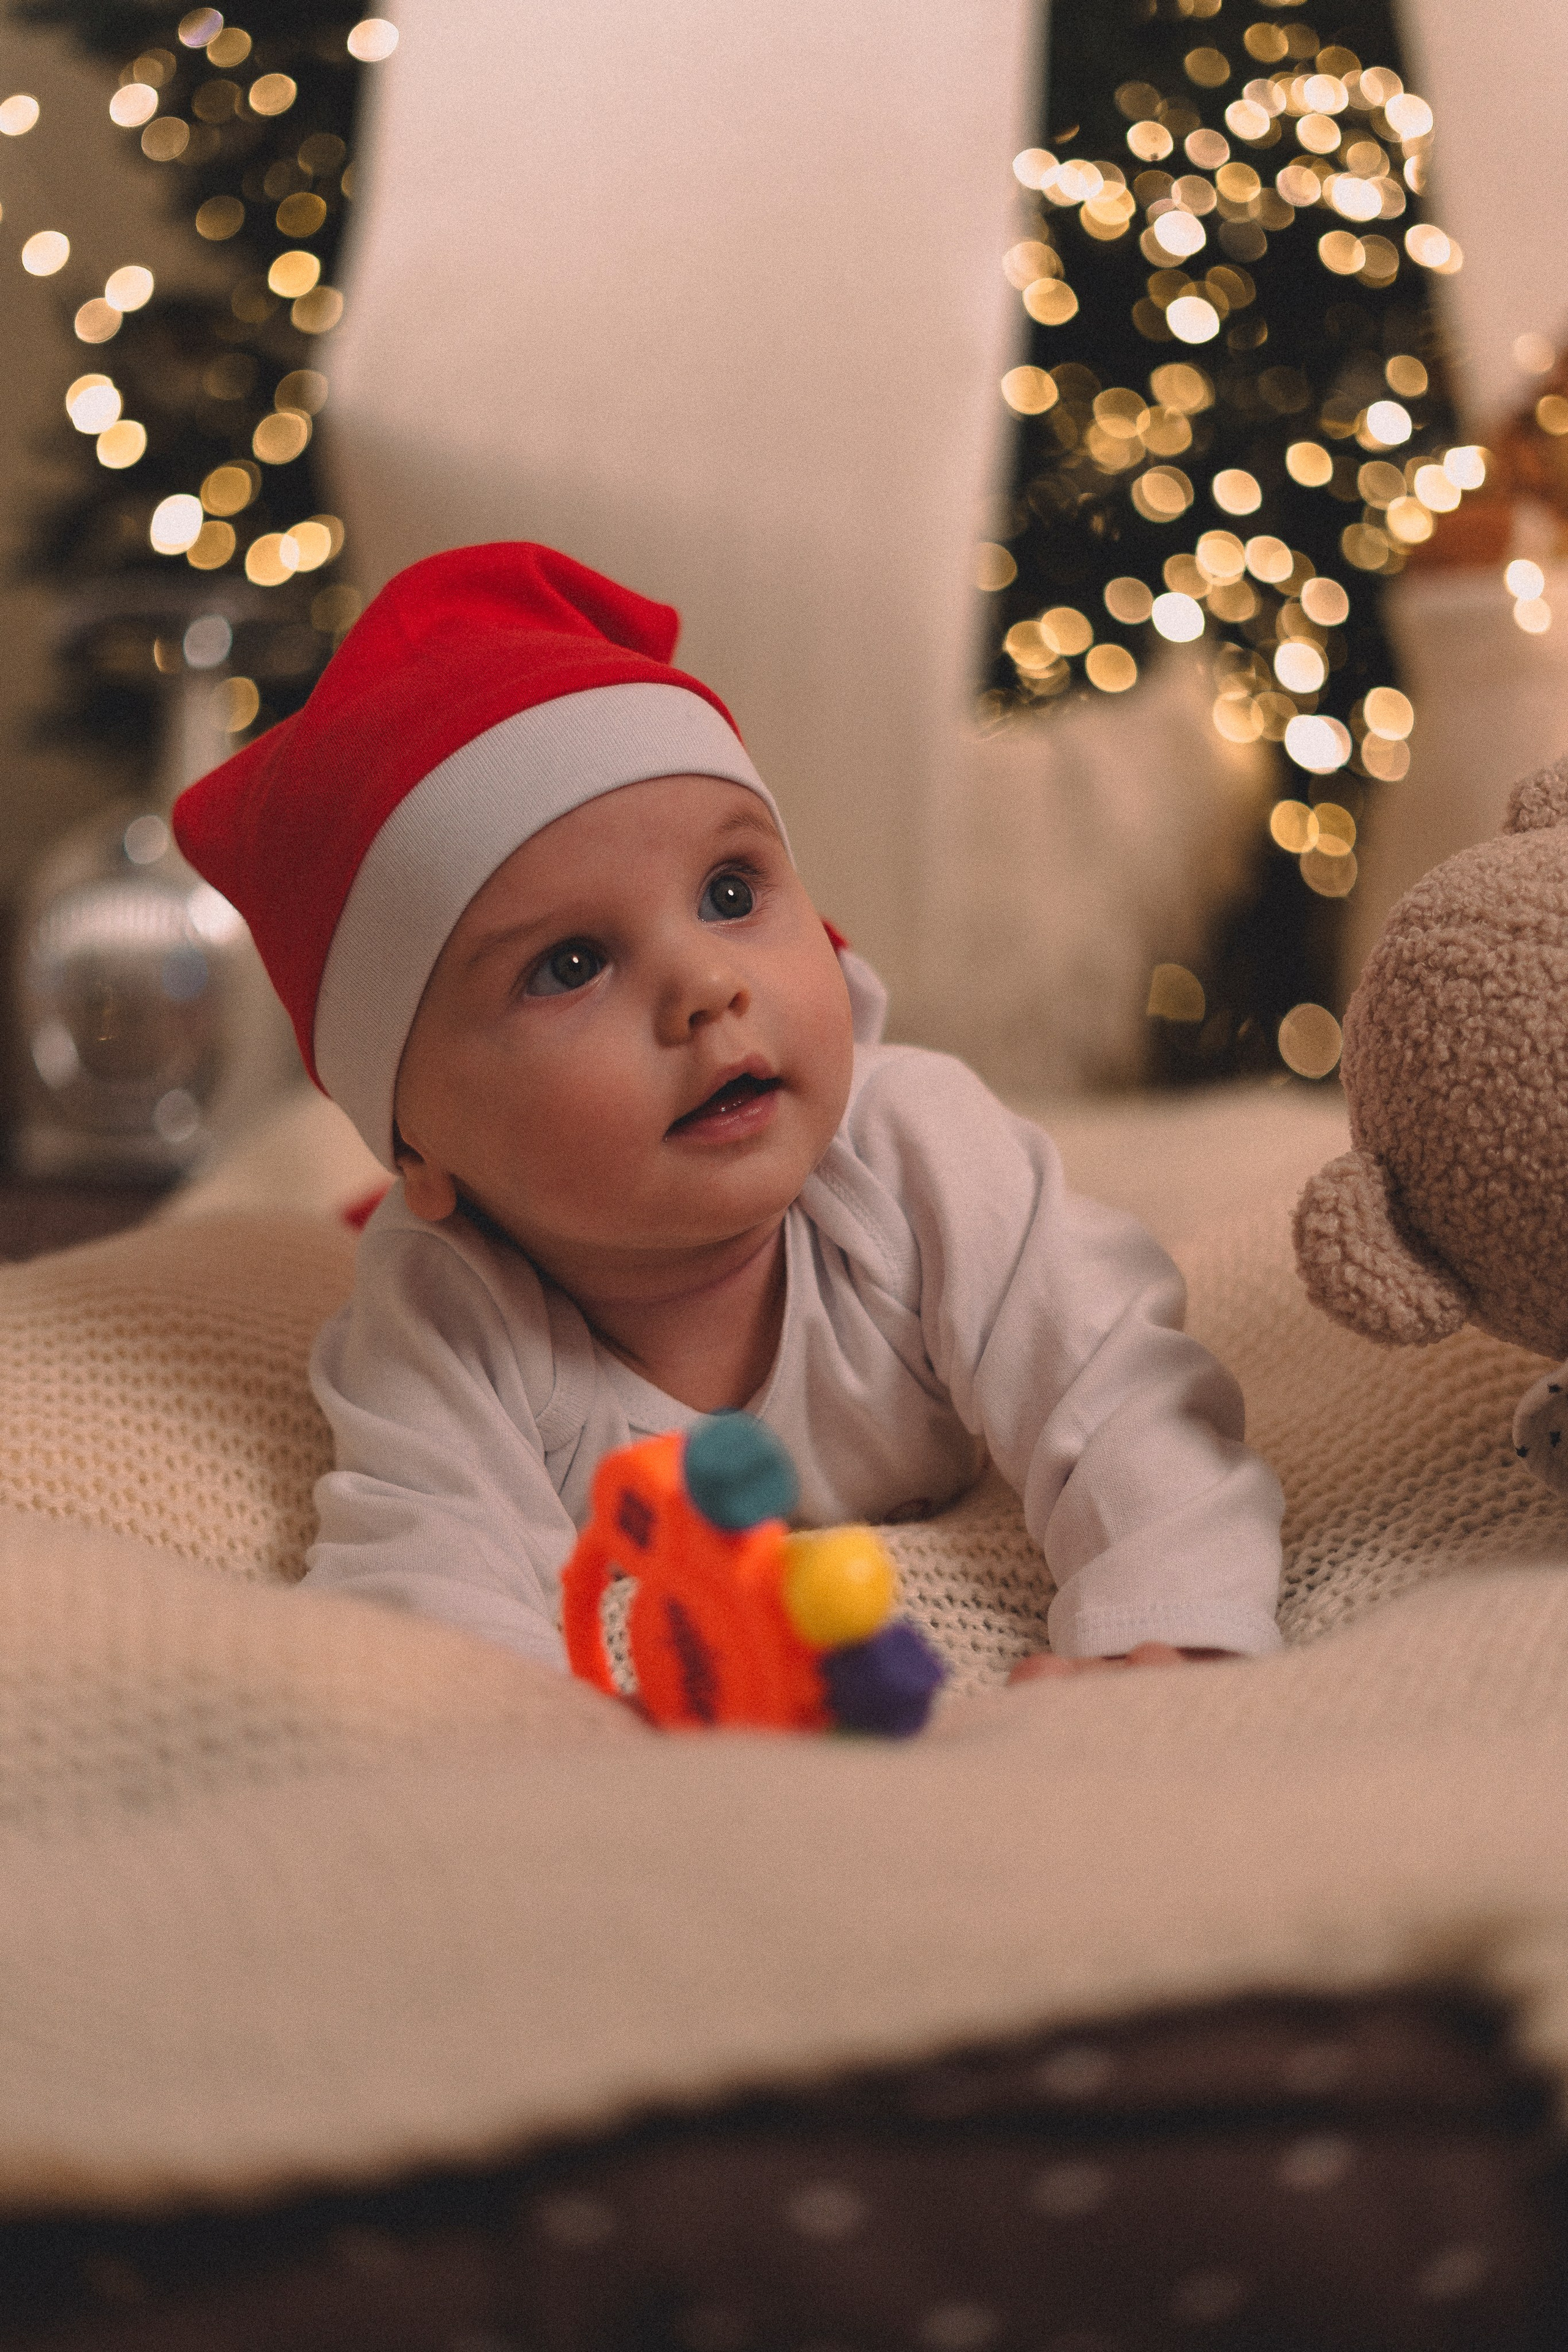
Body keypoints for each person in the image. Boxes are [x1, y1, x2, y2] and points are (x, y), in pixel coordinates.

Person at [173, 541, 1284, 1684]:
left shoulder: (915, 1155)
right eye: (569, 965)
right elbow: (426, 1582)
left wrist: (1167, 1623)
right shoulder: (450, 1307)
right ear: (422, 1144)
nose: (707, 985)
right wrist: (501, 1731)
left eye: (731, 892)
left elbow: (1115, 1387)